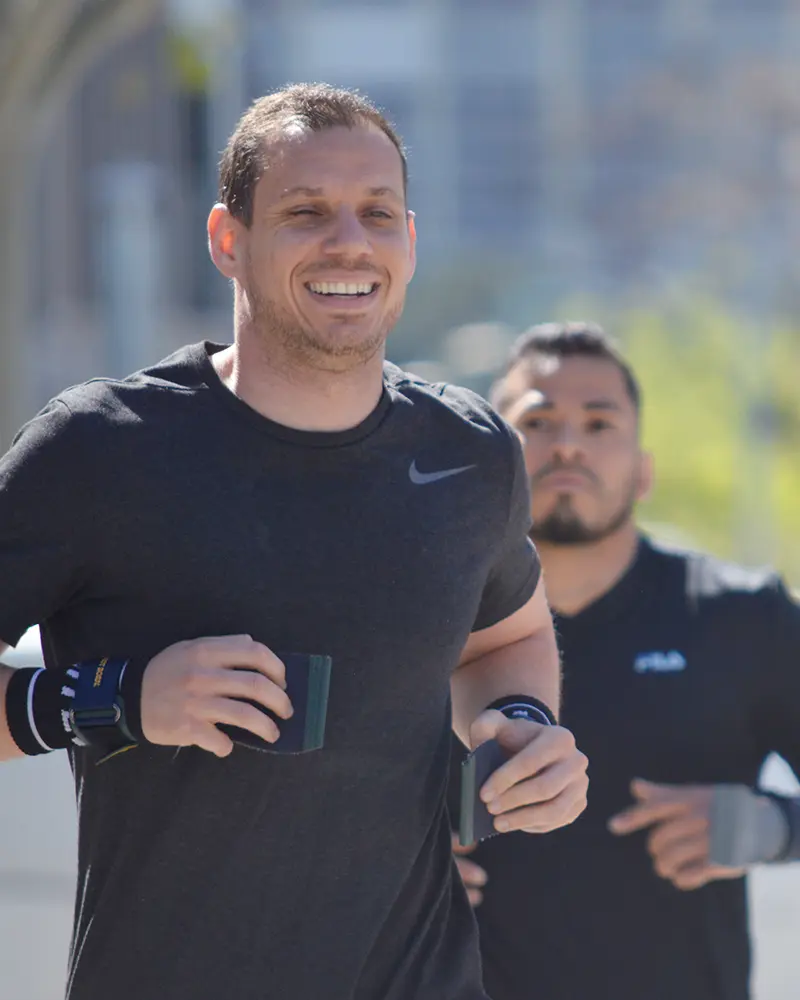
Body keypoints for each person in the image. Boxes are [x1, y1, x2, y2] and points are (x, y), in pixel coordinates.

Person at [0, 85, 588, 1000]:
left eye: (377, 214)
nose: (348, 242)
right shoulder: (99, 447)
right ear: (228, 241)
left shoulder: (470, 454)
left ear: (410, 242)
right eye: (306, 212)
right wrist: (119, 700)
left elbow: (506, 637)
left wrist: (525, 728)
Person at [451, 322, 800, 1000]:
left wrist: (770, 826)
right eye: (539, 420)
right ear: (495, 462)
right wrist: (390, 863)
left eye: (600, 422)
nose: (569, 443)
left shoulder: (741, 614)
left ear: (643, 470)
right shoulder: (424, 619)